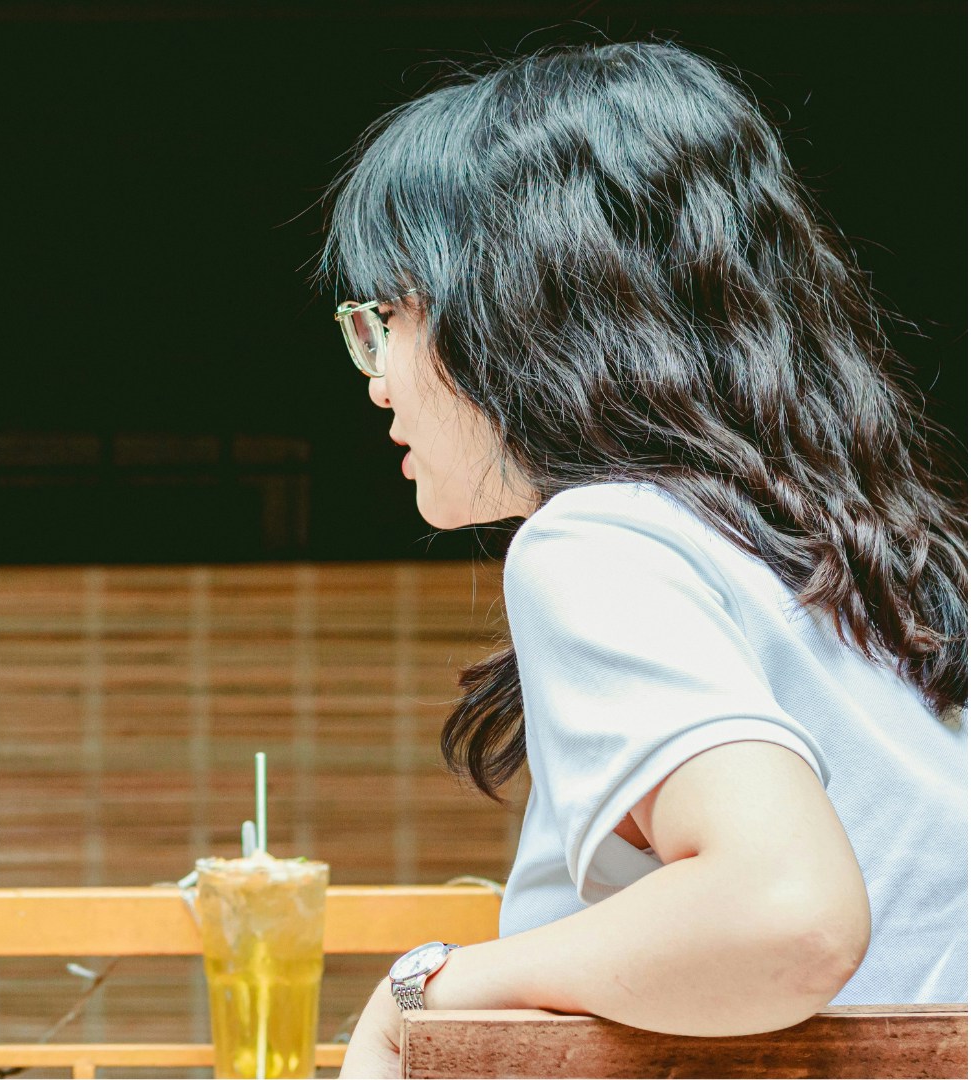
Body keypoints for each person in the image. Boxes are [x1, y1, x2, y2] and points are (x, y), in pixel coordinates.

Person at [320, 41, 967, 1077]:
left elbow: (784, 911)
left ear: (518, 308)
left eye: (388, 318)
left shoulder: (597, 540)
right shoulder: (855, 564)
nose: (379, 379)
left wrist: (425, 990)